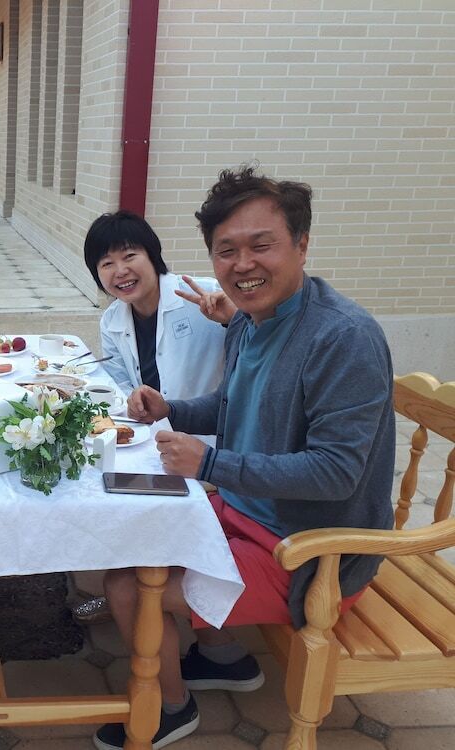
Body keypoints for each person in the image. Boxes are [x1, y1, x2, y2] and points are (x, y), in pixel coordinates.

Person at [93, 166, 395, 750]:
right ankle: (224, 659)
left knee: (128, 586)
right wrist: (171, 409)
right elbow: (231, 404)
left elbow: (336, 473)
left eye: (262, 245)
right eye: (226, 250)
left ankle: (170, 708)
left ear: (301, 244)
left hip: (312, 550)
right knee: (128, 531)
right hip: (243, 511)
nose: (242, 264)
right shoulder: (249, 322)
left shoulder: (342, 338)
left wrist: (209, 467)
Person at [72, 210, 233, 626]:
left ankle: (136, 591)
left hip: (210, 451)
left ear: (153, 256)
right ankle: (127, 589)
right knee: (97, 475)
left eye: (130, 256)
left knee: (116, 496)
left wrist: (232, 318)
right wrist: (132, 400)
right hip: (156, 440)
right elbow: (121, 383)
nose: (120, 271)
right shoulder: (113, 318)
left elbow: (258, 338)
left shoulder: (202, 297)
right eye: (106, 263)